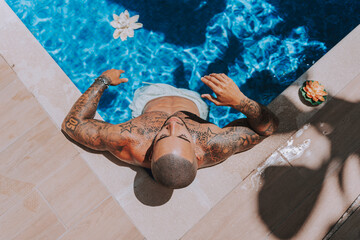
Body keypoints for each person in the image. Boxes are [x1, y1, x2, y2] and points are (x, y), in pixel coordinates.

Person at [62, 69, 279, 189]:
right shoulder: (213, 145)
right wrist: (239, 100)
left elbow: (73, 125)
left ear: (150, 152)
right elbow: (267, 129)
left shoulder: (128, 139)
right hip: (196, 104)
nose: (173, 124)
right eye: (182, 137)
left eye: (163, 136)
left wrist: (103, 80)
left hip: (148, 99)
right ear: (197, 154)